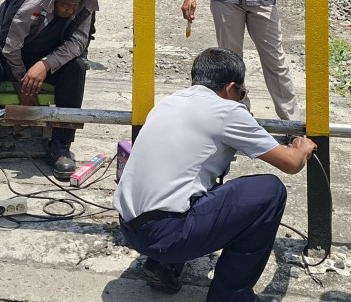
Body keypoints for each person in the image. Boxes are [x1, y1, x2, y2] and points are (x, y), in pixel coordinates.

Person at [114, 47, 316, 302]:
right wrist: (302, 147)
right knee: (269, 192)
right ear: (231, 88)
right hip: (165, 235)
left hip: (129, 226)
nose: (241, 99)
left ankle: (163, 265)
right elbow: (291, 163)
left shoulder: (170, 101)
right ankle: (231, 297)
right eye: (242, 94)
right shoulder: (227, 111)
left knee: (198, 179)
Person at [0, 0, 97, 180]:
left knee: (77, 68)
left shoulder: (85, 4)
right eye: (65, 5)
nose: (70, 10)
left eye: (74, 6)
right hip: (4, 48)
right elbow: (9, 44)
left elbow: (78, 42)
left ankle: (60, 145)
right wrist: (22, 83)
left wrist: (45, 64)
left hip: (48, 54)